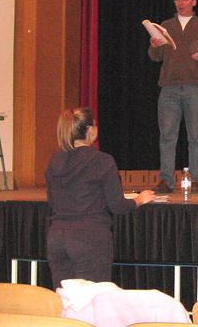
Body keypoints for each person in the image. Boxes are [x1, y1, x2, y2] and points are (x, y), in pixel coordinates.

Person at [45, 108, 155, 289]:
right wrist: (139, 199)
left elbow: (52, 201)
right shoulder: (102, 161)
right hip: (89, 238)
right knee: (92, 302)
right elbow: (117, 205)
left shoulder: (54, 161)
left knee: (65, 301)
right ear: (90, 130)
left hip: (57, 237)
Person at [148, 0, 198, 194]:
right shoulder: (165, 25)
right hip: (169, 88)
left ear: (194, 2)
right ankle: (166, 180)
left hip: (195, 87)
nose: (181, 3)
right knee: (167, 136)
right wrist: (154, 44)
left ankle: (197, 179)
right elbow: (155, 57)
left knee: (195, 136)